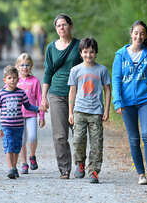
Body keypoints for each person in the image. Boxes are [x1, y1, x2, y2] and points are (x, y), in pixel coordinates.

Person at [112, 20, 147, 185]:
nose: (139, 36)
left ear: (145, 36)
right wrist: (117, 102)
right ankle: (141, 175)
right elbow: (116, 79)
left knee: (146, 134)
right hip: (127, 103)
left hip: (145, 99)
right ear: (131, 34)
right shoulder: (120, 55)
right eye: (136, 33)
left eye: (142, 33)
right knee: (133, 139)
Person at [40, 13, 82, 179]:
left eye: (64, 24)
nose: (62, 28)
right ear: (55, 28)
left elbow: (88, 66)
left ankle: (80, 164)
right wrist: (43, 97)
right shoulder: (51, 47)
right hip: (57, 93)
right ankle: (64, 169)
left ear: (70, 26)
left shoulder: (79, 45)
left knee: (79, 133)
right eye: (58, 26)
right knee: (60, 135)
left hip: (78, 94)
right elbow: (48, 72)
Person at [68, 37, 111, 184]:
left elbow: (107, 90)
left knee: (96, 143)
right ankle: (80, 163)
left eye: (91, 52)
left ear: (96, 53)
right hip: (79, 110)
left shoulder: (102, 70)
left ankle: (93, 170)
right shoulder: (75, 70)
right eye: (85, 52)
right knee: (78, 139)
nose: (88, 55)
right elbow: (72, 91)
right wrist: (70, 111)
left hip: (96, 111)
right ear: (80, 53)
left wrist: (106, 109)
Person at [0, 66, 41, 179]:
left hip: (19, 126)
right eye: (9, 78)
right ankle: (10, 168)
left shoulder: (21, 93)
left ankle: (14, 167)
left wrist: (39, 109)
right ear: (5, 80)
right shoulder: (1, 94)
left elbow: (28, 106)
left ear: (18, 79)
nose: (12, 80)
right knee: (8, 147)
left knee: (16, 148)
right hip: (6, 126)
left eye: (15, 78)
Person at [15, 53, 45, 174]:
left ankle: (32, 156)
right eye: (22, 65)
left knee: (32, 137)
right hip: (18, 115)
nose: (24, 67)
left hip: (31, 114)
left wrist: (42, 115)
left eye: (27, 65)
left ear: (31, 66)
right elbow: (4, 93)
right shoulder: (14, 80)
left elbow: (40, 99)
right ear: (17, 66)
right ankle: (23, 163)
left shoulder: (35, 81)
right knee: (21, 140)